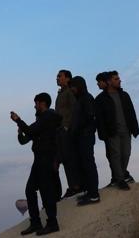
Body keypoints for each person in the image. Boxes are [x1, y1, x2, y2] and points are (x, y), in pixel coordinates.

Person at [11, 93, 62, 235]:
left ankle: (52, 223)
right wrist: (20, 131)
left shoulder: (49, 117)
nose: (35, 106)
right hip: (39, 159)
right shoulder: (41, 120)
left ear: (42, 103)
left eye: (36, 103)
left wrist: (18, 120)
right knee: (30, 190)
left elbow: (31, 130)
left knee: (46, 192)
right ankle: (36, 223)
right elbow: (25, 139)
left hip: (46, 159)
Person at [94, 71, 139, 190]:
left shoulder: (125, 95)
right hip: (112, 132)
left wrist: (135, 128)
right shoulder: (100, 99)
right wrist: (103, 134)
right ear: (109, 81)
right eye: (116, 79)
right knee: (115, 155)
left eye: (118, 78)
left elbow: (131, 112)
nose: (119, 80)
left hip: (126, 130)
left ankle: (121, 175)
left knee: (126, 154)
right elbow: (100, 119)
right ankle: (120, 179)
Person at [68, 76, 100, 206]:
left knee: (88, 164)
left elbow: (91, 118)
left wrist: (86, 132)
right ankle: (89, 191)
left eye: (73, 86)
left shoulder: (87, 98)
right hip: (80, 138)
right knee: (83, 165)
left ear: (80, 86)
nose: (72, 89)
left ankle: (94, 195)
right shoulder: (80, 99)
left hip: (85, 137)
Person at [55, 70, 78, 199]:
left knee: (69, 159)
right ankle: (72, 186)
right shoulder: (60, 93)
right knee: (64, 159)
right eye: (57, 76)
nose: (57, 78)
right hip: (60, 131)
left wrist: (67, 127)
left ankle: (75, 186)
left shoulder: (69, 92)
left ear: (68, 78)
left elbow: (74, 109)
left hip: (66, 131)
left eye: (60, 76)